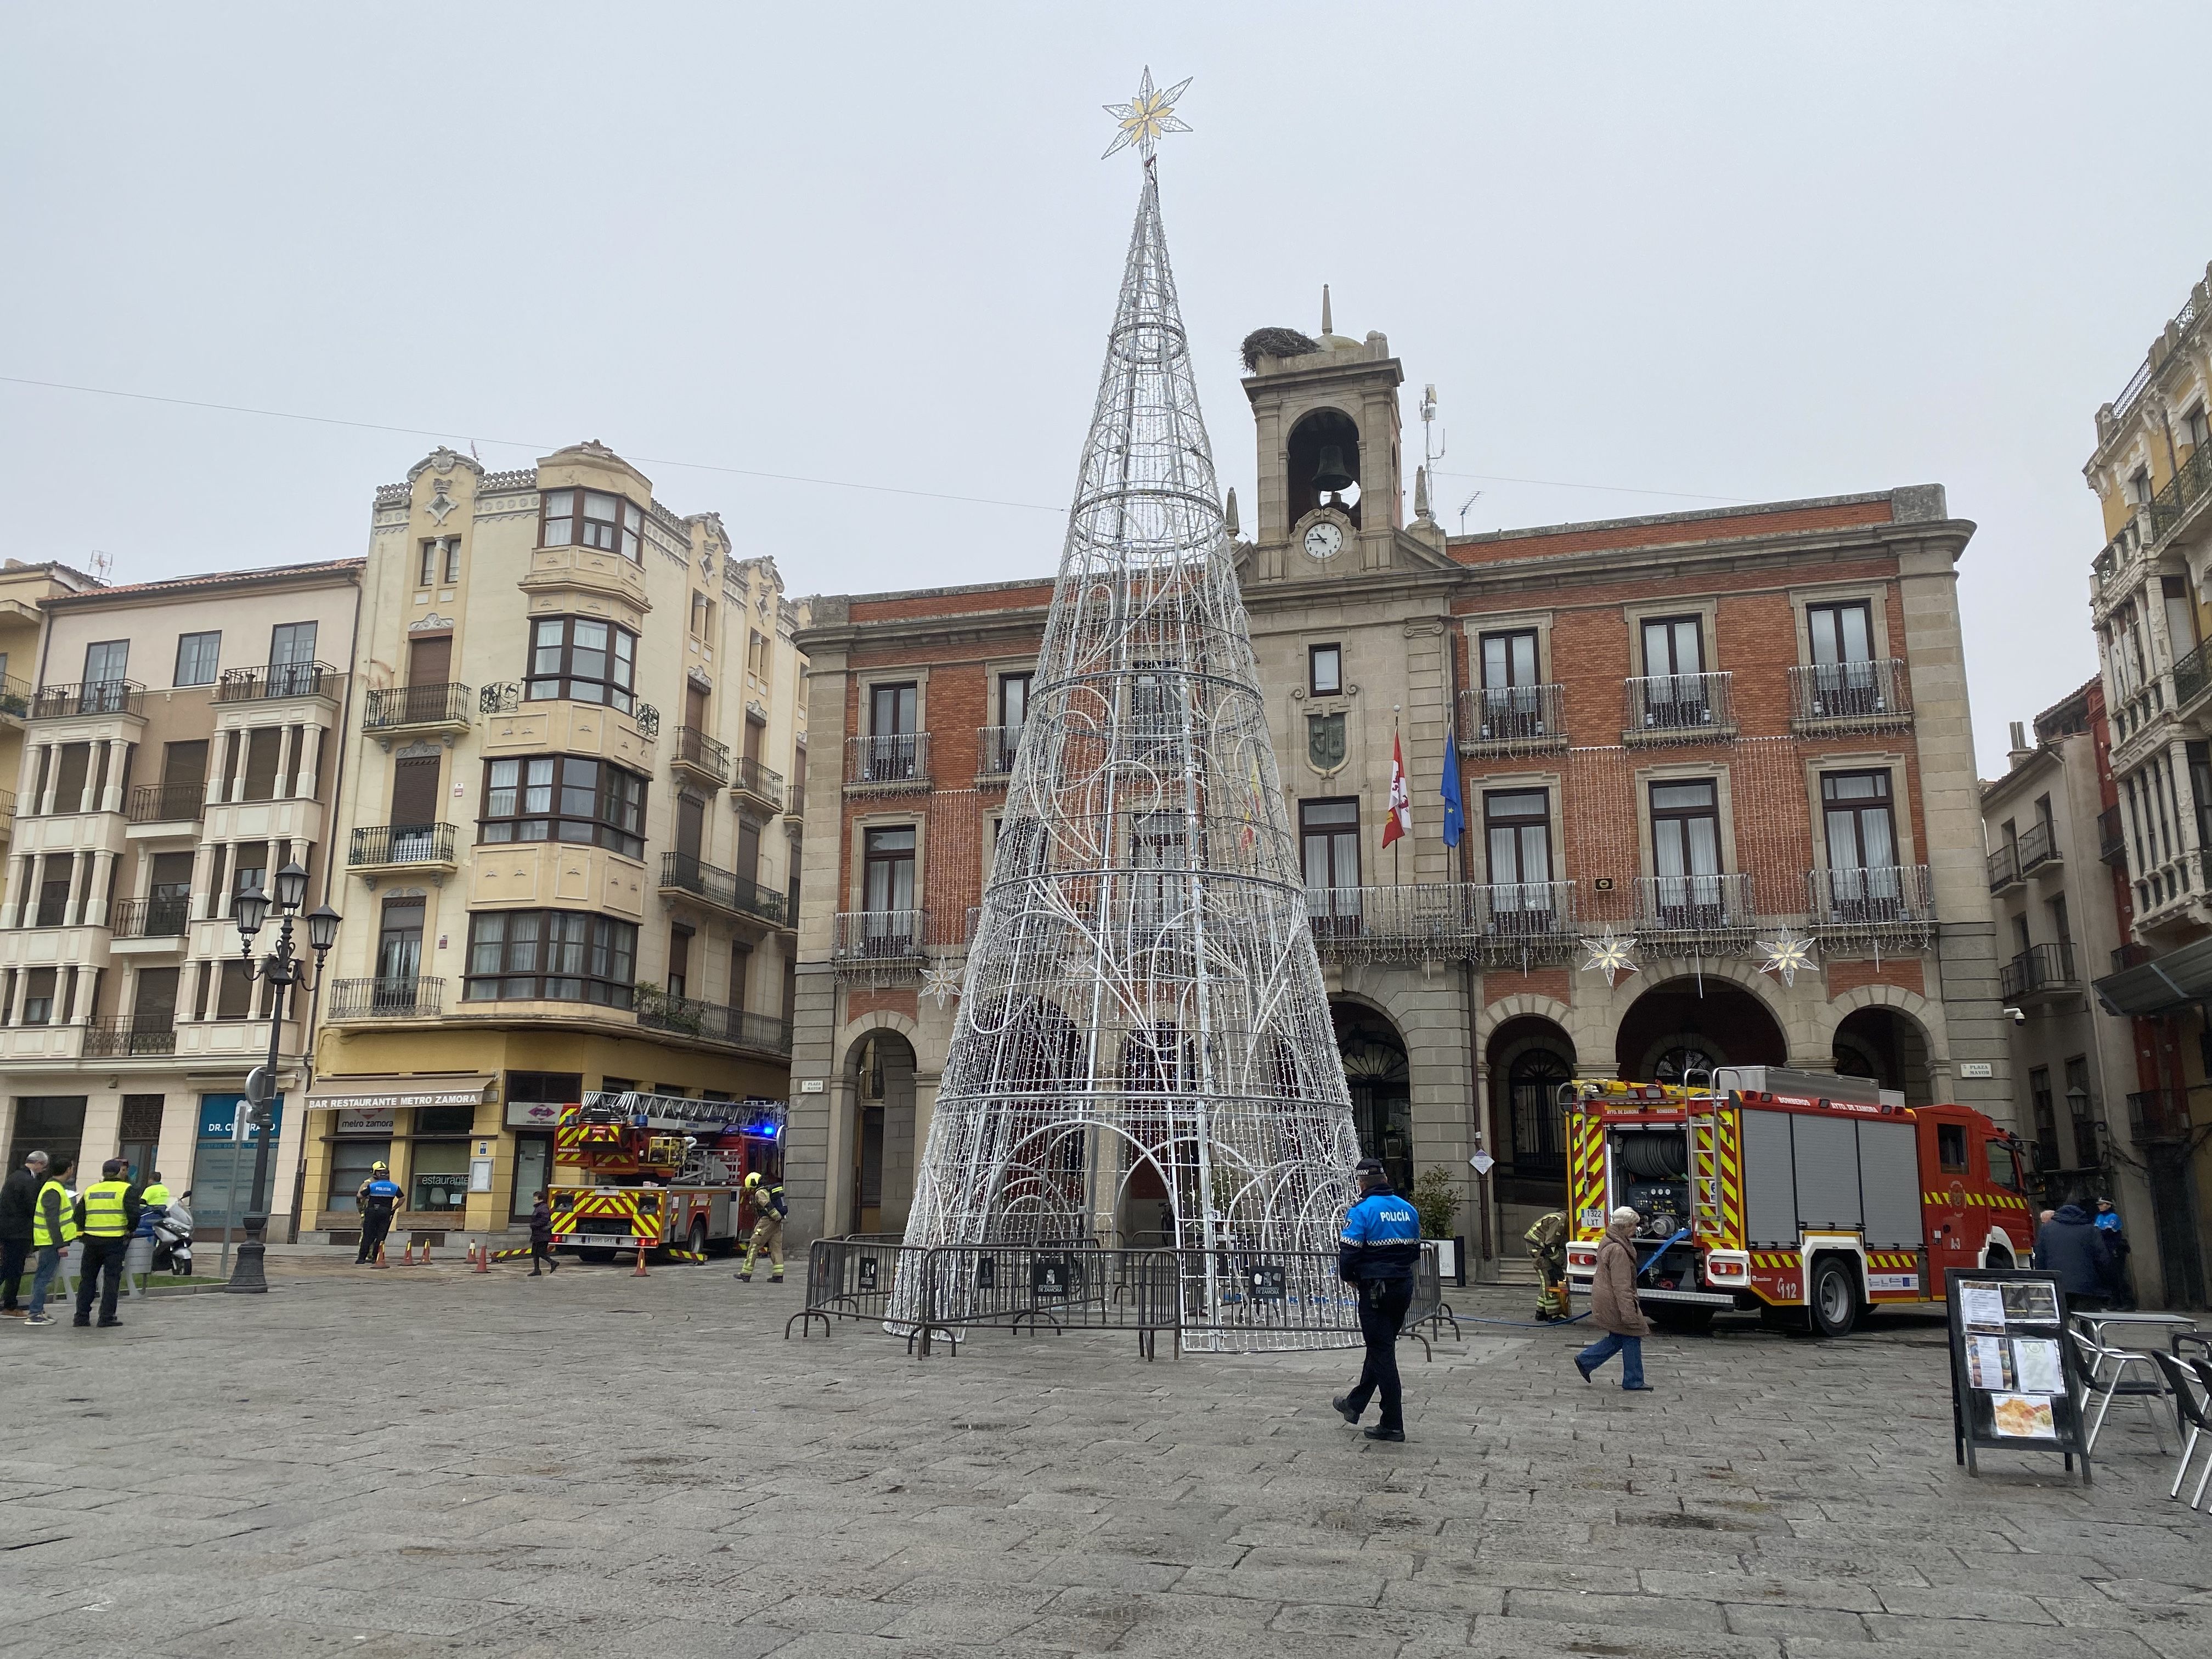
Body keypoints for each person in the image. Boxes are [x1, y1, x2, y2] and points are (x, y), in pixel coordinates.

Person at [1330, 1156, 1423, 1442]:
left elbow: (1349, 1252)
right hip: (1402, 1287)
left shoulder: (1362, 1211)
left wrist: (1350, 1276)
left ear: (1361, 1182)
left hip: (1374, 1291)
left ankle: (1393, 1423)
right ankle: (1354, 1405)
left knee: (1383, 1354)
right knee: (1380, 1346)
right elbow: (1415, 1252)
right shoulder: (1408, 1209)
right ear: (1384, 1180)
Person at [1575, 1206, 1654, 1391]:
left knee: (1621, 1336)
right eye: (1634, 1226)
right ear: (1625, 1226)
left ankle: (1586, 1361)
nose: (1636, 1229)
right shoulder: (1619, 1250)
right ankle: (1633, 1381)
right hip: (1614, 1301)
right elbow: (1622, 1286)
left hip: (1606, 1298)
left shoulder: (1610, 1240)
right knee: (1632, 1334)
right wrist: (1629, 1315)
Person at [73, 1158, 142, 1329]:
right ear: (120, 1172)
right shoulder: (127, 1189)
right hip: (115, 1240)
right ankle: (106, 1317)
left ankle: (81, 1317)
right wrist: (130, 1230)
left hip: (91, 1240)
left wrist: (85, 1229)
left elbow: (78, 1215)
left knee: (87, 1279)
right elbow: (134, 1214)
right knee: (111, 1279)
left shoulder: (91, 1190)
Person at [24, 1155, 76, 1328]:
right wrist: (60, 1244)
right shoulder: (53, 1190)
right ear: (68, 1170)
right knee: (43, 1278)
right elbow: (52, 1219)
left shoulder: (55, 1187)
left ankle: (38, 1310)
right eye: (72, 1168)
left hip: (49, 1241)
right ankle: (35, 1313)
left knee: (44, 1277)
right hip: (50, 1242)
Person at [2034, 1199, 2113, 1310]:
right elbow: (2103, 1259)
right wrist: (2104, 1284)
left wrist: (2044, 1283)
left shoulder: (2046, 1229)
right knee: (2087, 1321)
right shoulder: (2090, 1230)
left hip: (2057, 1285)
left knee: (2060, 1323)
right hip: (2086, 1287)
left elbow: (2040, 1259)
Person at [1, 1149, 48, 1318]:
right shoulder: (27, 1181)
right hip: (18, 1232)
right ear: (38, 1164)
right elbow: (32, 1207)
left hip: (8, 1230)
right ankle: (10, 1305)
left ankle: (10, 1303)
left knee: (8, 1267)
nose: (43, 1171)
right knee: (13, 1269)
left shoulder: (15, 1177)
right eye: (43, 1168)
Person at [737, 1170, 787, 1283]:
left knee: (754, 1245)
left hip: (767, 1222)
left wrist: (776, 1216)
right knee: (776, 1248)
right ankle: (778, 1275)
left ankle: (746, 1273)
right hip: (775, 1223)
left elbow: (768, 1206)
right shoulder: (767, 1189)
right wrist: (778, 1219)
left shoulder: (760, 1193)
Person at [1524, 1210, 1570, 1322]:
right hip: (1539, 1248)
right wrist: (1561, 1262)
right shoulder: (1561, 1221)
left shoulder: (1561, 1218)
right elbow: (1550, 1246)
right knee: (1551, 1280)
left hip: (1538, 1246)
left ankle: (1541, 1312)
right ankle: (1554, 1315)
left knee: (1545, 1280)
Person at [356, 1161, 402, 1265]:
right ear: (374, 1172)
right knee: (372, 1235)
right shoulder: (369, 1183)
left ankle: (367, 1257)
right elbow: (359, 1199)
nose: (381, 1173)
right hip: (377, 1211)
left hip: (372, 1211)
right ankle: (370, 1256)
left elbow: (360, 1196)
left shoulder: (374, 1185)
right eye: (379, 1171)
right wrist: (362, 1211)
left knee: (370, 1235)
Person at [2093, 1198, 2134, 1309]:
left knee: (2119, 1277)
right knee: (2110, 1277)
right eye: (2099, 1204)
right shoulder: (2099, 1217)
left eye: (2103, 1204)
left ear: (2109, 1205)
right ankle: (2115, 1301)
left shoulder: (2113, 1217)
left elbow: (2107, 1232)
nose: (2100, 1206)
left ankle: (2128, 1302)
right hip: (2105, 1250)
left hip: (2115, 1250)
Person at [528, 1191, 558, 1276]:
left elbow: (544, 1220)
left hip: (542, 1234)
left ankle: (553, 1263)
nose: (534, 1200)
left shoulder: (543, 1208)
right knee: (535, 1253)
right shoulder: (539, 1207)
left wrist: (534, 1225)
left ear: (540, 1199)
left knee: (541, 1253)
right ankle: (537, 1270)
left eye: (535, 1199)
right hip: (538, 1234)